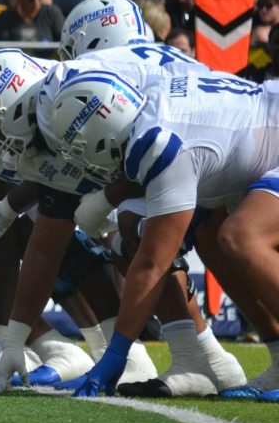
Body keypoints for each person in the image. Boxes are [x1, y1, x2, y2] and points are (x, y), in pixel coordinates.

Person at [46, 67, 279, 399]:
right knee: (206, 234)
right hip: (262, 138)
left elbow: (153, 265)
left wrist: (116, 354)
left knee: (243, 236)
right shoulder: (150, 101)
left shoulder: (160, 144)